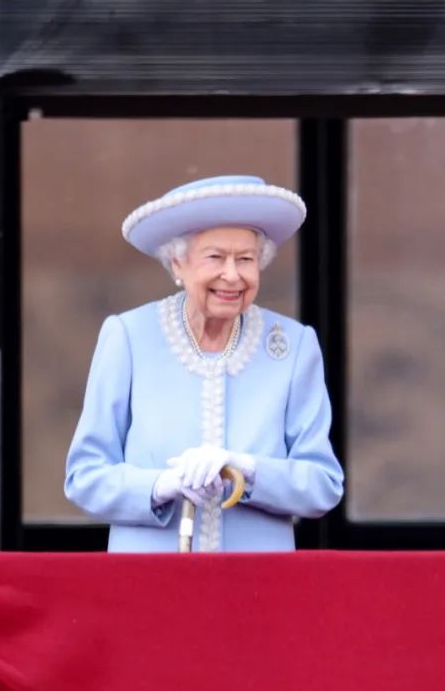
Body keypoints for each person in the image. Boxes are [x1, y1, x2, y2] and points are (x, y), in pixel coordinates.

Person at [65, 175, 344, 552]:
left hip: (258, 585)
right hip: (148, 581)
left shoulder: (293, 346)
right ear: (178, 263)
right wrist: (159, 486)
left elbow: (323, 485)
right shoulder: (128, 337)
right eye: (215, 257)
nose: (232, 275)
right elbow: (84, 477)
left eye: (246, 259)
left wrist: (246, 469)